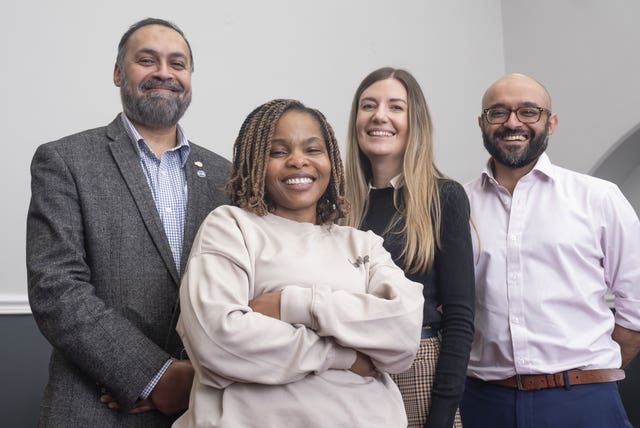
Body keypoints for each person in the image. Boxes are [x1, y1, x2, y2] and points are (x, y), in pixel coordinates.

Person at [26, 18, 230, 427]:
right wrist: (154, 376)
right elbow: (57, 288)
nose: (164, 73)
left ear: (190, 78)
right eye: (146, 60)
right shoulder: (65, 160)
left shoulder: (227, 177)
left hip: (202, 406)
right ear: (119, 72)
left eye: (178, 64)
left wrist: (194, 378)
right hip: (94, 407)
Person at [173, 98, 424, 428]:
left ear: (331, 160)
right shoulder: (231, 227)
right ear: (255, 162)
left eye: (313, 150)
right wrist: (343, 355)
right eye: (278, 152)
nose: (297, 161)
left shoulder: (361, 243)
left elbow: (403, 332)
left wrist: (291, 304)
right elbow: (216, 341)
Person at [461, 73, 640, 428]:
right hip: (484, 402)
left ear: (551, 122)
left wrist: (588, 377)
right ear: (482, 123)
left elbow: (636, 310)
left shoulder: (598, 198)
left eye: (529, 111)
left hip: (584, 401)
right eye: (498, 113)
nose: (513, 122)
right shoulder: (456, 206)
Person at [344, 67, 475, 428]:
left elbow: (461, 317)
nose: (379, 116)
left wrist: (443, 414)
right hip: (343, 372)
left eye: (395, 107)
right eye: (368, 105)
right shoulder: (336, 204)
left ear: (415, 120)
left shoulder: (443, 197)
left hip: (418, 374)